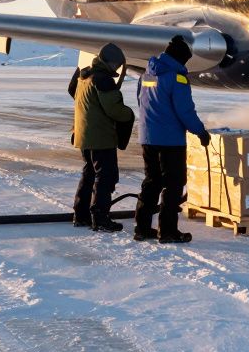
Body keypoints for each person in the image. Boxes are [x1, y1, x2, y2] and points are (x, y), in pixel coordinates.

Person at [133, 35, 211, 243]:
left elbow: (140, 101)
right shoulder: (177, 78)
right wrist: (201, 132)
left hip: (148, 137)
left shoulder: (146, 74)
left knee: (152, 181)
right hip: (170, 141)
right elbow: (185, 111)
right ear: (180, 58)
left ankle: (141, 227)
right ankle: (167, 231)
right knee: (173, 184)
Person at [69, 44, 134, 233]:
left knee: (89, 174)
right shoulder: (103, 80)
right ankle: (100, 218)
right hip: (100, 138)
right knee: (105, 178)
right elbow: (114, 109)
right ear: (110, 63)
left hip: (84, 136)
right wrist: (129, 113)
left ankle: (80, 215)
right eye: (115, 65)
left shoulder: (85, 76)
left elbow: (74, 93)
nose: (116, 69)